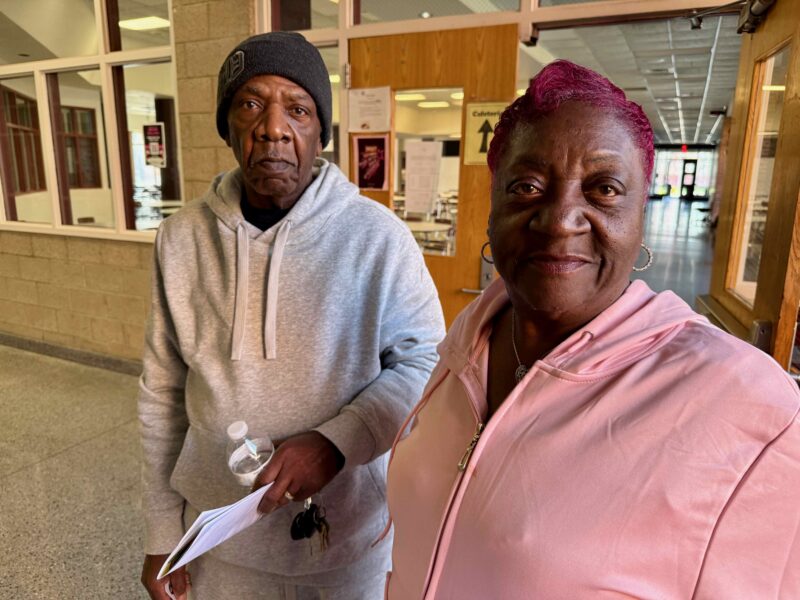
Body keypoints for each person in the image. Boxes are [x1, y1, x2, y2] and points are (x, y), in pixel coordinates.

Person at [384, 60, 800, 599]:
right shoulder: (471, 338)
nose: (560, 219)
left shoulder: (749, 407)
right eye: (527, 186)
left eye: (603, 189)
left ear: (640, 212)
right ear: (491, 208)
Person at [138, 32, 445, 600]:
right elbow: (162, 392)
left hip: (340, 545)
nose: (273, 127)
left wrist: (337, 440)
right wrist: (163, 531)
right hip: (217, 541)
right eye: (251, 104)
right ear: (228, 128)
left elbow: (427, 364)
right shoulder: (181, 240)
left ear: (318, 133)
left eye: (297, 109)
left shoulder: (378, 240)